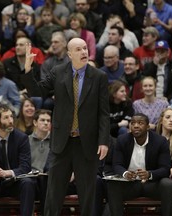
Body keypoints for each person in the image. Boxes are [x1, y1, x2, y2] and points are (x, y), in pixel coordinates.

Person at [22, 38, 110, 216]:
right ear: (69, 54)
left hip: (87, 142)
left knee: (87, 195)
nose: (84, 52)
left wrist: (104, 141)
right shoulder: (58, 72)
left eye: (85, 48)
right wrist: (28, 69)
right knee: (54, 193)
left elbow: (104, 113)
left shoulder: (99, 76)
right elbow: (37, 92)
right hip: (62, 143)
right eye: (78, 49)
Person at [106, 113, 172, 216]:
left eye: (140, 123)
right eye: (133, 123)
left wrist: (149, 174)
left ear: (148, 127)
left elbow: (165, 169)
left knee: (167, 184)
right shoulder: (122, 140)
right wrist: (125, 173)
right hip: (130, 185)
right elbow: (116, 165)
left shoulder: (160, 141)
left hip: (151, 185)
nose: (136, 126)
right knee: (112, 185)